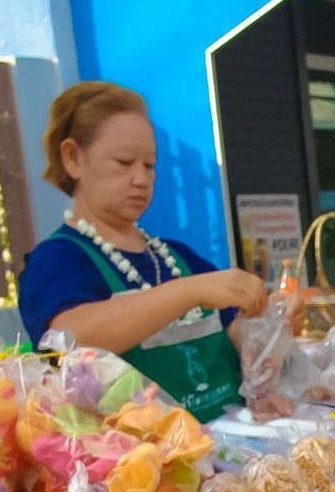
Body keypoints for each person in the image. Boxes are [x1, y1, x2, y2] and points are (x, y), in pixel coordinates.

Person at [17, 81, 267, 421]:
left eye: (149, 165)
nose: (141, 179)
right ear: (73, 158)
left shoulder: (177, 257)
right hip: (142, 466)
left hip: (234, 455)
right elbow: (67, 344)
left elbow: (235, 330)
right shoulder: (58, 261)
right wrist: (189, 291)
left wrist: (268, 324)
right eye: (124, 162)